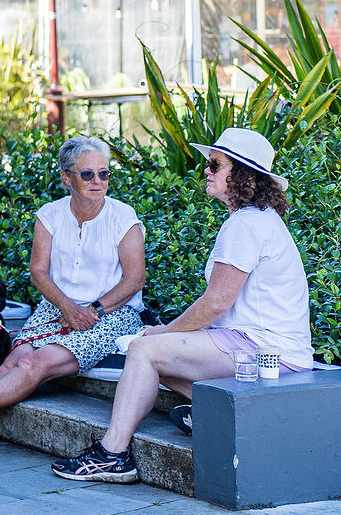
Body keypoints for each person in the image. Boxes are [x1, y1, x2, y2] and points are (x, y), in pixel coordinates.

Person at [53, 127, 309, 483]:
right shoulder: (255, 219)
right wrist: (166, 333)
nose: (206, 169)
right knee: (154, 352)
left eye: (215, 164)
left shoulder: (247, 226)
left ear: (241, 174)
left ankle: (112, 454)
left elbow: (216, 303)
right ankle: (214, 414)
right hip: (256, 343)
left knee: (144, 350)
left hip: (266, 350)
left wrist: (164, 332)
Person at [0, 136, 145, 450]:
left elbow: (135, 279)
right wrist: (67, 307)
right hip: (56, 307)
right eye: (88, 174)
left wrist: (92, 309)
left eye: (104, 173)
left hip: (110, 314)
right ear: (67, 178)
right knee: (11, 363)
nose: (98, 181)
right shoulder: (50, 215)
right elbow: (38, 271)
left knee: (32, 364)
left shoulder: (123, 217)